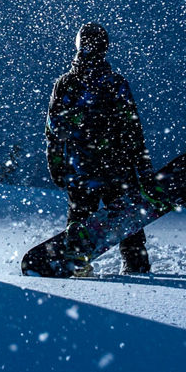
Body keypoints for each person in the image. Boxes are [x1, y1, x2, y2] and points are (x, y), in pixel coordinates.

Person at [46, 23, 153, 275]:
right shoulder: (114, 83)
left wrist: (56, 164)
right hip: (114, 166)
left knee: (85, 219)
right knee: (126, 218)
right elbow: (133, 129)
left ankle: (78, 263)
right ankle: (135, 266)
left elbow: (54, 129)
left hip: (85, 168)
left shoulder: (68, 84)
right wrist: (143, 165)